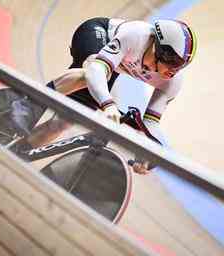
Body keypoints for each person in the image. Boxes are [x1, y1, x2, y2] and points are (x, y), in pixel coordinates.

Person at [15, 17, 197, 174]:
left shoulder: (172, 82)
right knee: (88, 74)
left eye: (181, 65)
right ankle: (26, 105)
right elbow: (96, 70)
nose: (174, 70)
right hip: (98, 35)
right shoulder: (135, 35)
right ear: (160, 50)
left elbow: (150, 124)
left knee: (64, 122)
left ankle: (16, 151)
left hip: (115, 65)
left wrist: (151, 152)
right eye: (174, 62)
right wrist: (108, 104)